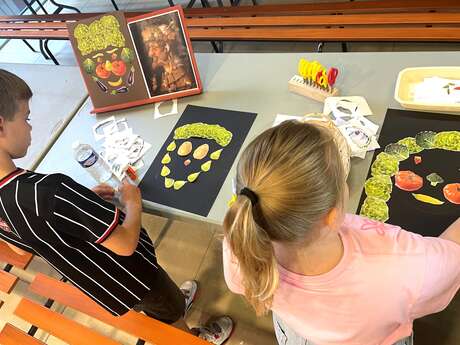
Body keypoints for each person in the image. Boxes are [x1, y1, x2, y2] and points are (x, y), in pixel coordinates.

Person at [0, 69, 233, 344]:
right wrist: (134, 204)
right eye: (26, 118)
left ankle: (171, 308)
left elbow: (20, 245)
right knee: (167, 310)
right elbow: (124, 244)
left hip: (102, 285)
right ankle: (191, 337)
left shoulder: (24, 194)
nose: (30, 126)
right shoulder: (49, 191)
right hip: (132, 275)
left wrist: (77, 207)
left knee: (153, 305)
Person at [222, 120, 460, 345]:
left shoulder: (241, 238)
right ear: (332, 215)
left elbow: (236, 283)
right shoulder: (404, 265)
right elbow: (453, 257)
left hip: (299, 335)